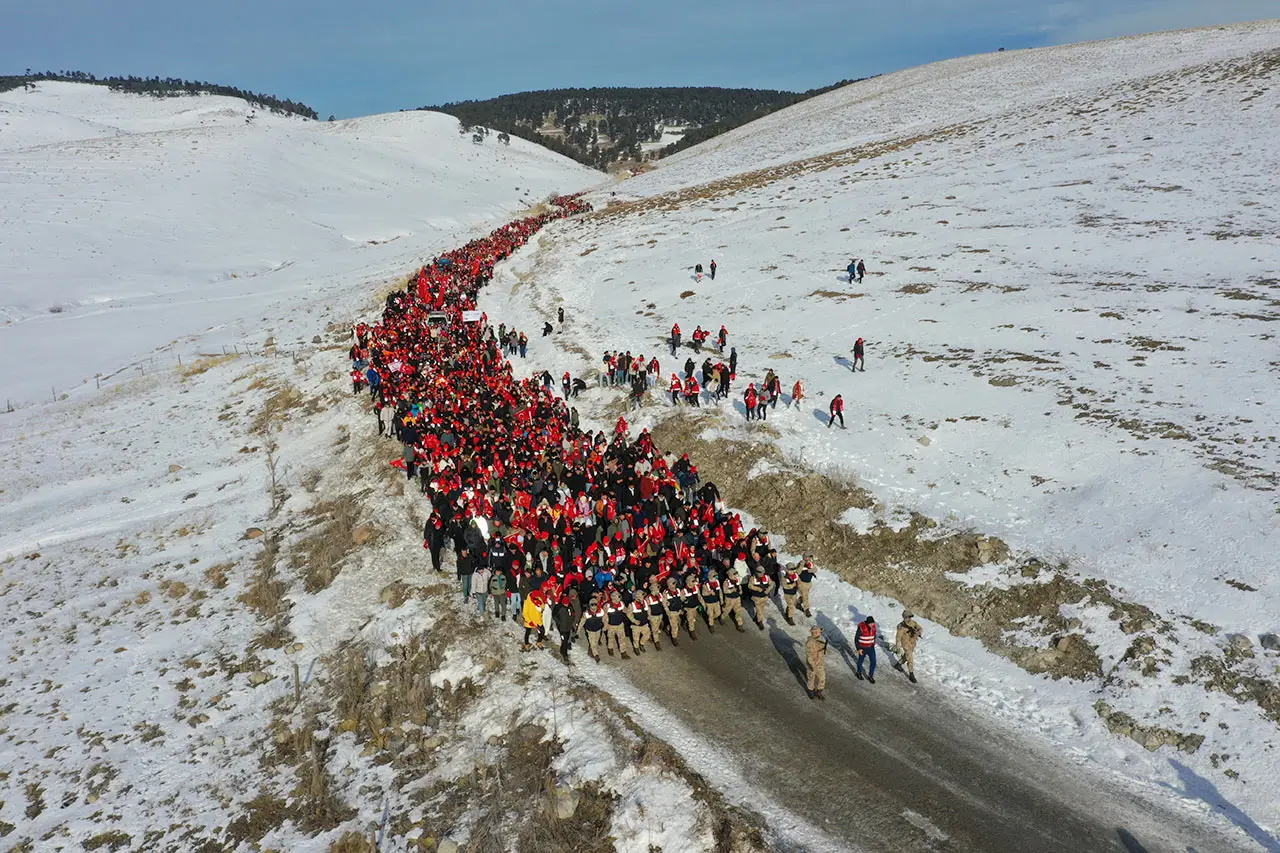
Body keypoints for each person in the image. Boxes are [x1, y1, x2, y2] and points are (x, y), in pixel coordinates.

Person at [895, 611, 922, 683]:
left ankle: (898, 664)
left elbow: (920, 628)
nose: (909, 618)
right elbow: (898, 637)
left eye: (910, 617)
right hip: (906, 644)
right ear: (905, 617)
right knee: (910, 658)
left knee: (906, 656)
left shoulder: (913, 623)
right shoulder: (901, 626)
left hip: (912, 643)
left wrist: (918, 631)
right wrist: (898, 647)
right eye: (908, 617)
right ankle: (911, 674)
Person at [806, 626, 828, 700]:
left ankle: (819, 692)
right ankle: (811, 692)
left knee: (822, 678)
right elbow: (809, 656)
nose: (821, 633)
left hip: (820, 664)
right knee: (811, 679)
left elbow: (821, 650)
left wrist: (823, 647)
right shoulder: (809, 643)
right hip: (812, 665)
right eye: (819, 632)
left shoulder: (820, 640)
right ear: (815, 633)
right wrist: (812, 666)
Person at [855, 616, 878, 683]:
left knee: (873, 662)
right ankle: (858, 672)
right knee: (860, 660)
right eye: (871, 624)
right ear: (867, 623)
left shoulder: (873, 627)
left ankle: (870, 676)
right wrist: (859, 649)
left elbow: (874, 635)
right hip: (862, 647)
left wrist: (873, 642)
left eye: (873, 623)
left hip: (871, 647)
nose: (872, 625)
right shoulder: (861, 628)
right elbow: (856, 639)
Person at [553, 594, 575, 662]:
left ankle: (562, 650)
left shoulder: (570, 607)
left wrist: (572, 623)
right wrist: (559, 622)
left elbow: (573, 615)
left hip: (568, 626)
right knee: (564, 640)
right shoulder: (559, 607)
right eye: (565, 603)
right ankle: (564, 653)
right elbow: (554, 615)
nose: (566, 605)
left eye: (567, 603)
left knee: (566, 639)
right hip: (562, 628)